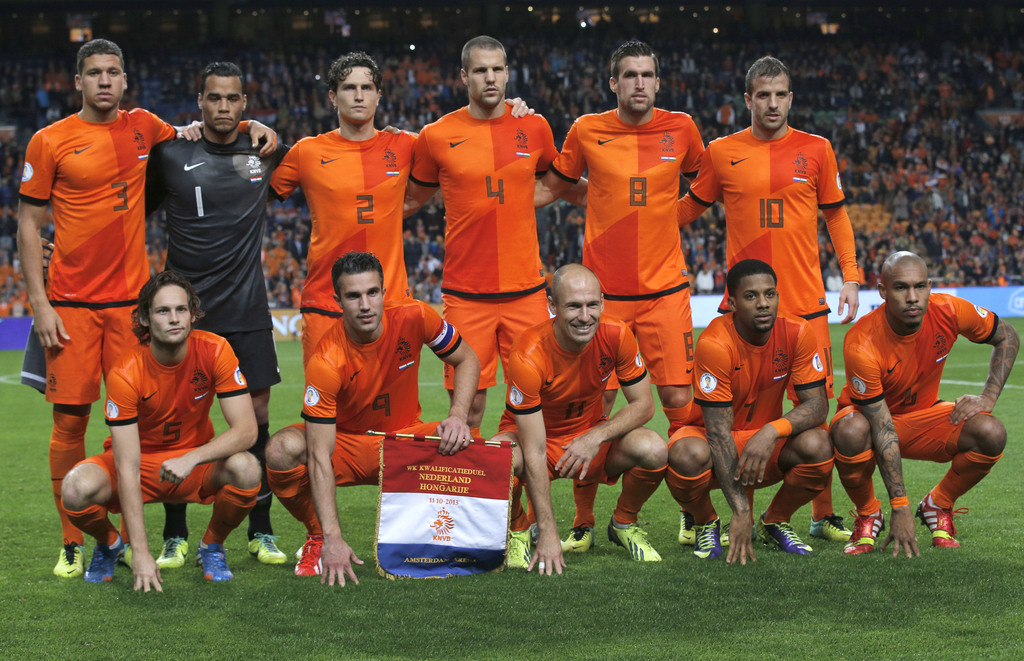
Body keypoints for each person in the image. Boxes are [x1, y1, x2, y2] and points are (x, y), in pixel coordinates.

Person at [676, 54, 859, 544]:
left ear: (791, 98)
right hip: (747, 307)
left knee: (813, 410)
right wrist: (633, 212)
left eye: (781, 95)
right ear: (747, 100)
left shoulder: (817, 149)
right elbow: (688, 209)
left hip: (806, 305)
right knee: (738, 413)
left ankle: (821, 514)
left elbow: (837, 216)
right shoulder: (721, 151)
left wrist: (851, 276)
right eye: (764, 95)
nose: (773, 103)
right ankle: (721, 514)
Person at [533, 39, 704, 554]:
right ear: (614, 83)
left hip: (665, 292)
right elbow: (556, 183)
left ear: (658, 81)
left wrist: (664, 221)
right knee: (597, 407)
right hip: (602, 302)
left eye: (647, 75)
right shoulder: (587, 129)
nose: (638, 83)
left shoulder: (683, 129)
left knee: (679, 403)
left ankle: (688, 513)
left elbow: (706, 188)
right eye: (628, 75)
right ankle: (584, 521)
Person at [145, 62, 289, 569]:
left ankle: (262, 530)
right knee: (178, 423)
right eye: (214, 98)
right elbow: (126, 211)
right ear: (199, 101)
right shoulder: (169, 153)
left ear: (245, 104)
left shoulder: (266, 151)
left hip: (247, 311)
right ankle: (175, 533)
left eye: (232, 100)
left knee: (261, 422)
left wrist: (264, 132)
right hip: (184, 315)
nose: (223, 108)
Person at [265, 251, 480, 586]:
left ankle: (508, 535)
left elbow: (467, 359)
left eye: (372, 293)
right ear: (338, 300)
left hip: (407, 439)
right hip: (347, 446)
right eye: (353, 296)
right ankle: (319, 537)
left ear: (383, 290)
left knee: (486, 453)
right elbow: (320, 455)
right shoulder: (326, 360)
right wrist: (335, 536)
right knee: (281, 450)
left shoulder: (415, 315)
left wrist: (457, 416)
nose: (365, 305)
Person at [405, 35, 569, 438]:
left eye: (497, 69)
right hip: (466, 295)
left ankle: (521, 502)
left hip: (526, 291)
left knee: (532, 404)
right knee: (470, 409)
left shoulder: (533, 125)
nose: (490, 78)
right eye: (480, 70)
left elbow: (555, 181)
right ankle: (472, 499)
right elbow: (411, 197)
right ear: (464, 76)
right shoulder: (437, 135)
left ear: (508, 73)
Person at [59, 271, 261, 589]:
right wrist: (140, 552)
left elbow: (247, 431)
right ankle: (110, 543)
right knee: (74, 489)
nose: (174, 319)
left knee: (247, 468)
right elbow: (127, 466)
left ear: (193, 313)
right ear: (144, 317)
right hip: (138, 465)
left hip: (194, 464)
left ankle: (212, 546)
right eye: (162, 311)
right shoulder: (125, 372)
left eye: (181, 309)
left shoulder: (216, 350)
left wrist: (192, 458)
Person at [830, 251, 1018, 556]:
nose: (912, 297)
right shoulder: (861, 342)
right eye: (901, 288)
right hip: (870, 422)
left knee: (990, 432)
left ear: (930, 286)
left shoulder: (950, 309)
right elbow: (882, 426)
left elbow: (1008, 335)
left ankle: (938, 503)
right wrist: (899, 506)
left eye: (920, 287)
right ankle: (868, 513)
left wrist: (989, 397)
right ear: (882, 291)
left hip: (922, 417)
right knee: (851, 431)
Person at [494, 264, 668, 571]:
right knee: (494, 456)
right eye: (573, 306)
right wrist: (548, 532)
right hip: (536, 443)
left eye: (592, 305)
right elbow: (534, 448)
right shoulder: (528, 354)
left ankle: (623, 523)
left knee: (654, 448)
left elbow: (644, 406)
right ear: (552, 306)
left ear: (602, 301)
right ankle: (520, 528)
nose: (585, 316)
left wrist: (595, 437)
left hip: (590, 435)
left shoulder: (617, 334)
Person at [665, 259, 833, 564]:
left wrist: (772, 430)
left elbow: (818, 405)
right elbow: (717, 434)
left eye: (770, 294)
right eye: (751, 296)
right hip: (711, 441)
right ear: (731, 302)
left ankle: (775, 520)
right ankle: (705, 522)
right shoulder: (715, 343)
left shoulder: (797, 331)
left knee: (819, 444)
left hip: (763, 442)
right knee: (684, 454)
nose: (763, 304)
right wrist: (741, 511)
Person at [270, 52, 416, 368]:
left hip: (389, 303)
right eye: (350, 88)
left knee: (394, 412)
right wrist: (249, 126)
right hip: (325, 303)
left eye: (367, 87)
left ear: (379, 94)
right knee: (324, 411)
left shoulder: (406, 146)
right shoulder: (307, 152)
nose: (359, 95)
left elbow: (460, 149)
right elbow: (252, 194)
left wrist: (513, 108)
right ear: (333, 97)